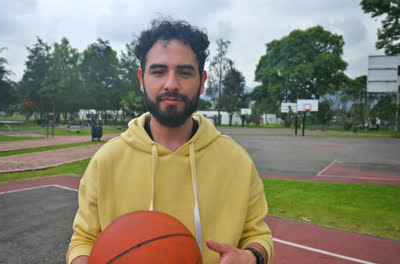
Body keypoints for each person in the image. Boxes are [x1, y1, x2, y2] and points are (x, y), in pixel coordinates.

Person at [67, 18, 273, 264]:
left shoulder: (236, 160)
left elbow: (258, 235)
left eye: (185, 73)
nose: (171, 84)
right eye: (159, 71)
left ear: (203, 81)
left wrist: (251, 257)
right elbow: (84, 239)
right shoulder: (107, 160)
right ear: (142, 79)